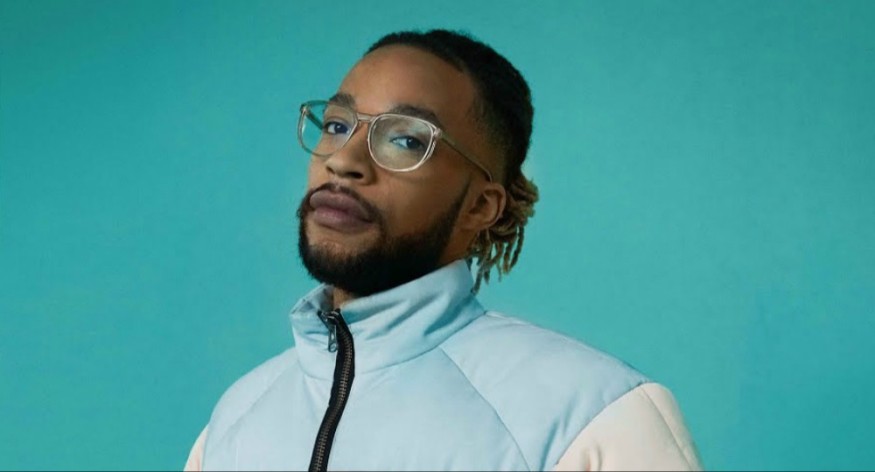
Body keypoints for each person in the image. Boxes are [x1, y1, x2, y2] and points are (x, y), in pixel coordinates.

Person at [184, 29, 703, 471]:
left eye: (406, 140)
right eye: (338, 126)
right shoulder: (235, 420)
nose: (344, 160)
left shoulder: (594, 416)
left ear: (480, 206)